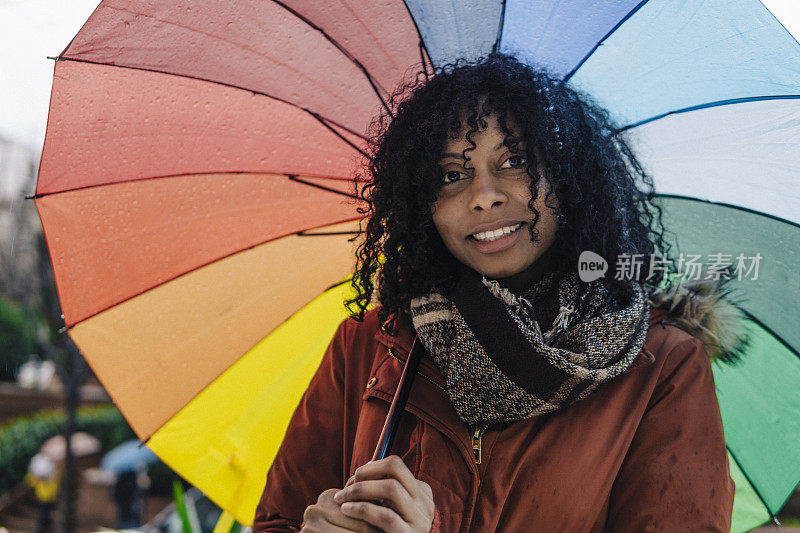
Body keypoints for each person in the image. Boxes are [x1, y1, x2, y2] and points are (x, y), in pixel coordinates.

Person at [253, 53, 746, 532]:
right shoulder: (371, 343)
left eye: (515, 161)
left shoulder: (661, 365)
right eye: (451, 175)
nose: (483, 195)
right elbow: (279, 520)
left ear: (569, 177)